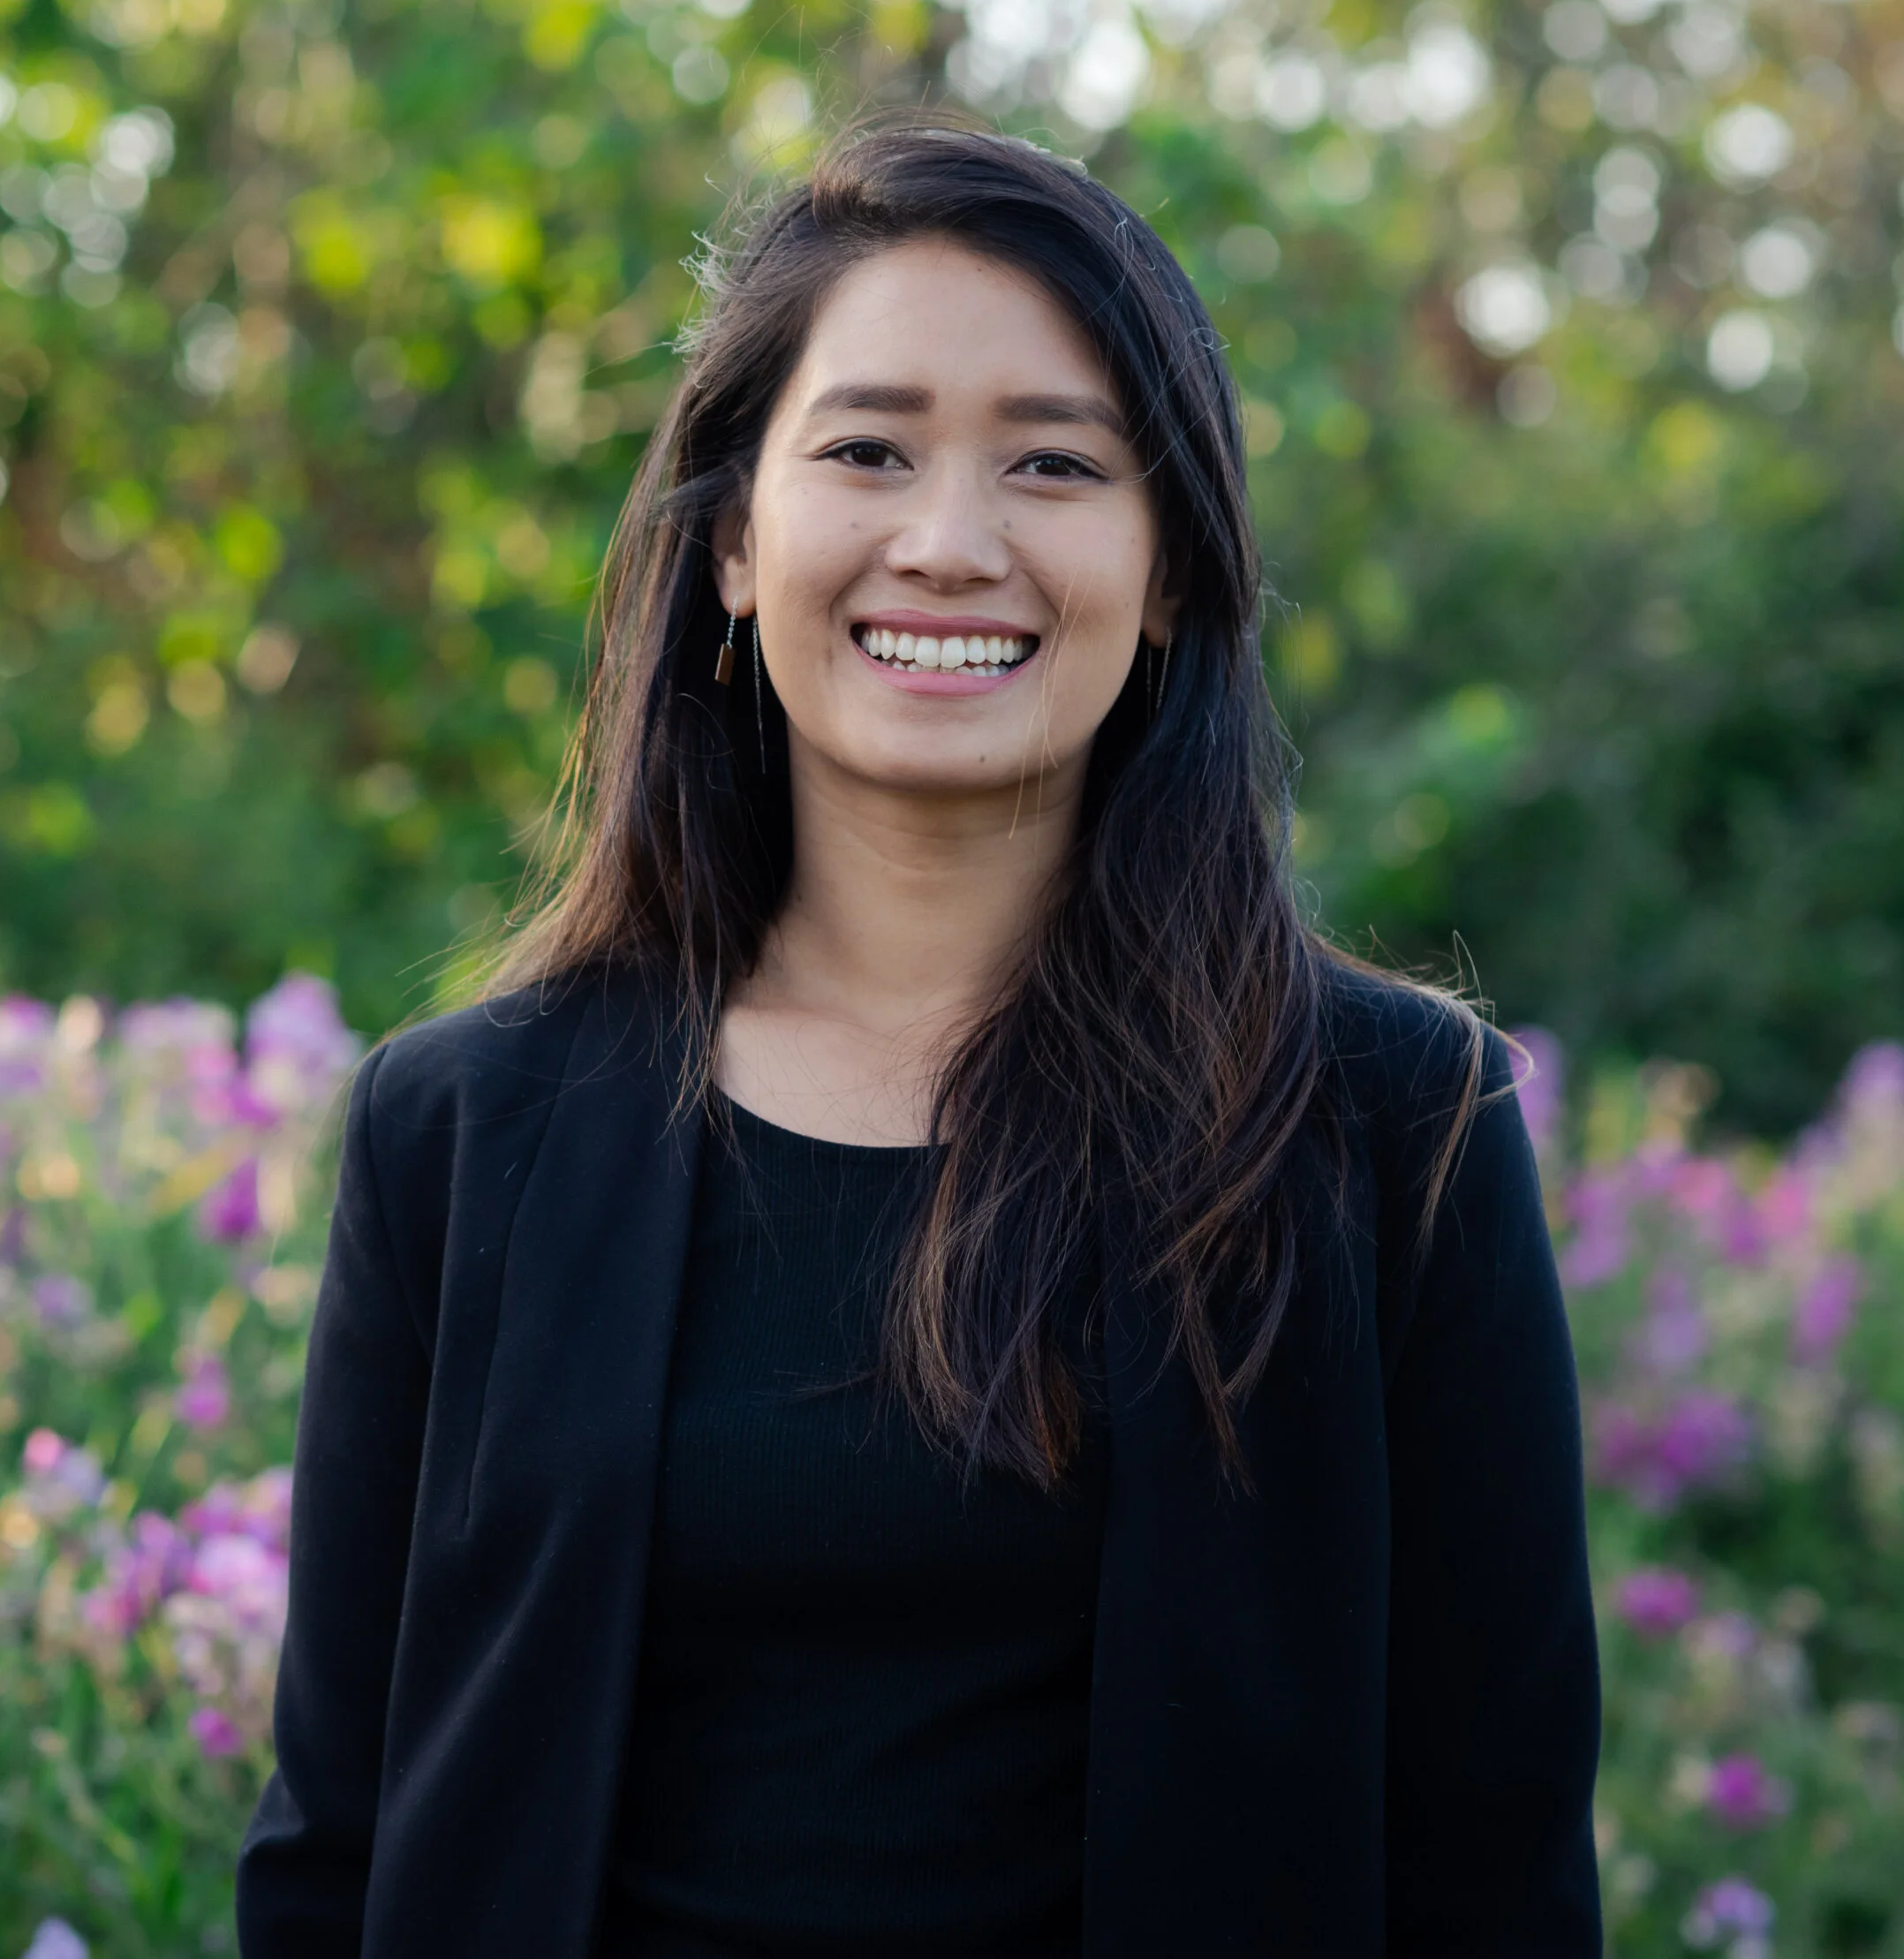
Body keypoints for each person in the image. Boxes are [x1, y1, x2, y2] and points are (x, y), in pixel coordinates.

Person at [234, 117, 1599, 1955]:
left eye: (1050, 463)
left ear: (1173, 569)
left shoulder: (1384, 1130)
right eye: (865, 450)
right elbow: (335, 1848)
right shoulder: (462, 1129)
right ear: (731, 540)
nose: (948, 546)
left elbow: (1491, 1870)